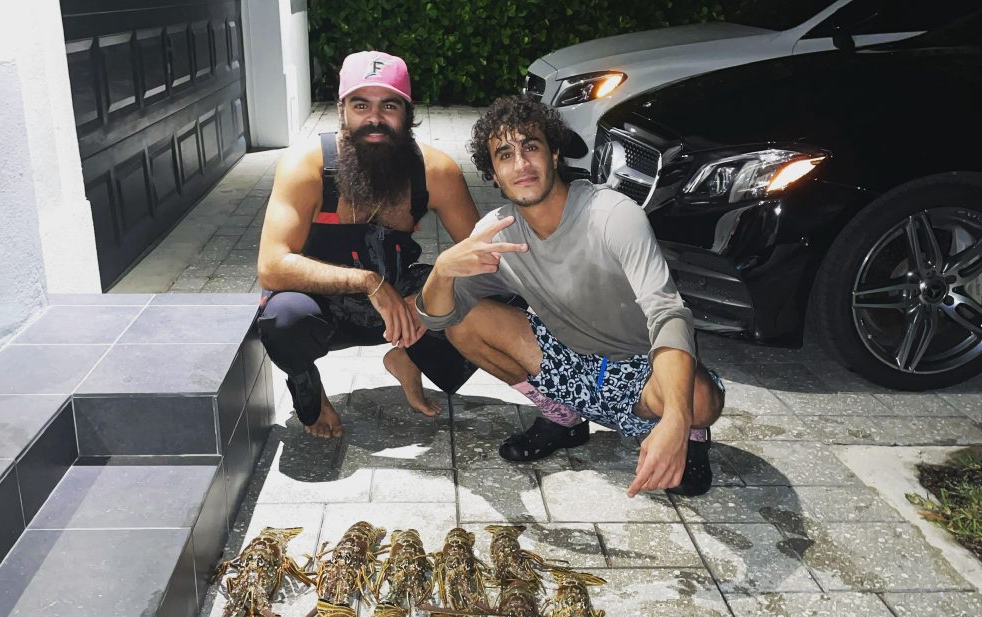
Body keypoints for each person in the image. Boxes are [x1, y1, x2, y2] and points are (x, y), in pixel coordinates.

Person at [416, 95, 725, 496]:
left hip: (640, 367)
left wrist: (677, 422)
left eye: (531, 147)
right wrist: (441, 270)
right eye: (504, 154)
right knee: (465, 325)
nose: (521, 164)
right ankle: (563, 418)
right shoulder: (497, 234)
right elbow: (436, 318)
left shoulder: (612, 214)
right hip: (566, 359)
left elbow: (668, 313)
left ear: (554, 153)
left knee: (700, 402)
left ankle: (689, 436)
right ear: (492, 173)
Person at [256, 51, 481, 437]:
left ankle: (411, 358)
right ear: (341, 110)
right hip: (321, 307)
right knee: (282, 317)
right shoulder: (304, 167)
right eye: (361, 105)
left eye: (389, 105)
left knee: (495, 291)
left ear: (407, 113)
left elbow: (484, 256)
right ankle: (309, 387)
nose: (375, 118)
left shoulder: (436, 171)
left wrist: (432, 299)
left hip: (402, 308)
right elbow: (272, 266)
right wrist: (367, 282)